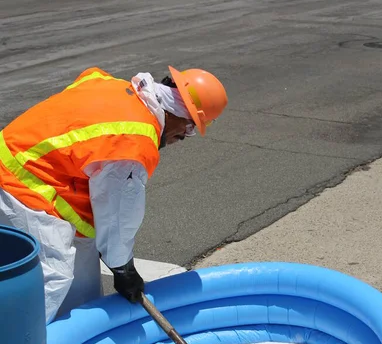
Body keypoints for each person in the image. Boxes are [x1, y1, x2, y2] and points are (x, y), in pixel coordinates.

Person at [0, 65, 228, 323]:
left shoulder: (115, 86)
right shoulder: (132, 142)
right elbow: (117, 215)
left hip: (37, 172)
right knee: (53, 276)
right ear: (179, 113)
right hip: (20, 183)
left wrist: (112, 255)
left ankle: (76, 342)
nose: (184, 137)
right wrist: (123, 268)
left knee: (83, 280)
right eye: (189, 127)